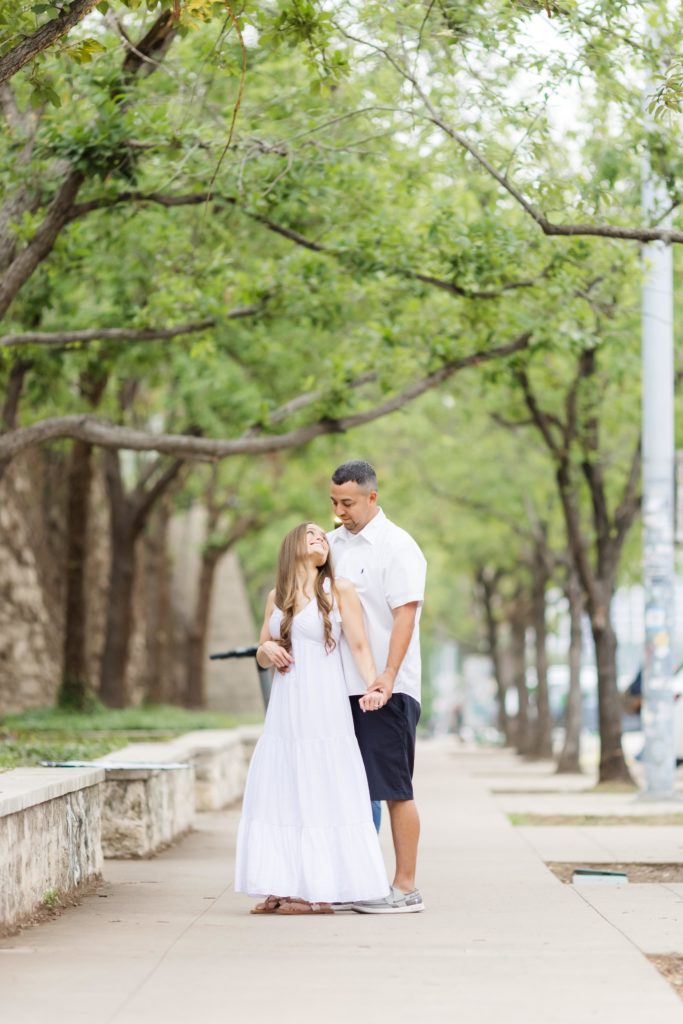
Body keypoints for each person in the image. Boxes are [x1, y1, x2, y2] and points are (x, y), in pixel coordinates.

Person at [234, 522, 390, 915]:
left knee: (320, 785)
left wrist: (375, 685)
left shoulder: (338, 590)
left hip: (323, 704)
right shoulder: (277, 596)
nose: (321, 538)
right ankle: (281, 881)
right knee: (283, 787)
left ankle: (316, 891)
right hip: (286, 708)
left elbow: (358, 643)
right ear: (292, 546)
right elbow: (260, 649)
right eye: (312, 534)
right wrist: (267, 649)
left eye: (324, 536)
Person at [328, 460, 427, 914]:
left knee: (393, 788)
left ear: (372, 497)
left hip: (386, 689)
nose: (339, 511)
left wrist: (387, 676)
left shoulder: (397, 546)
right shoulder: (330, 546)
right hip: (336, 689)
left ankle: (405, 887)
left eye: (347, 502)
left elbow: (405, 615)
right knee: (348, 789)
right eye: (333, 502)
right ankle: (353, 881)